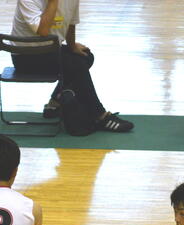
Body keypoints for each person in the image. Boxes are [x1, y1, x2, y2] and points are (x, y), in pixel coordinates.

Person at [10, 0, 134, 132]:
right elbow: (43, 31)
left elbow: (70, 23)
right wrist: (53, 2)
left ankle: (54, 104)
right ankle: (100, 115)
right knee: (76, 64)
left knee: (85, 57)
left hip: (50, 51)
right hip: (25, 57)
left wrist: (72, 45)